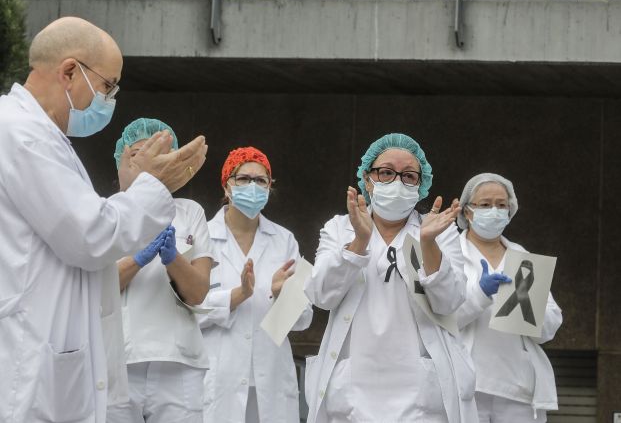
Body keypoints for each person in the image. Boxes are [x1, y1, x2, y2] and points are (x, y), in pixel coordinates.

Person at [0, 16, 207, 423]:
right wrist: (153, 186)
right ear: (70, 71)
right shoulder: (19, 132)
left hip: (51, 355)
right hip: (29, 360)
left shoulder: (44, 138)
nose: (109, 100)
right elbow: (90, 235)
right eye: (109, 86)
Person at [304, 133, 478, 423]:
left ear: (421, 185)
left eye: (409, 176)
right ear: (367, 179)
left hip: (419, 393)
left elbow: (449, 303)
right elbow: (322, 296)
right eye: (386, 172)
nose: (397, 182)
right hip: (353, 391)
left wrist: (429, 244)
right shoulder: (339, 228)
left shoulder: (440, 231)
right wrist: (359, 242)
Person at [107, 118, 214, 423]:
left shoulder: (189, 212)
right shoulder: (107, 210)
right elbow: (98, 286)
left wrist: (172, 258)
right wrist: (138, 259)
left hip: (178, 364)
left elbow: (198, 293)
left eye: (157, 154)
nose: (146, 164)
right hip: (120, 360)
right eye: (137, 154)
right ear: (121, 161)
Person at [200, 146, 313, 422]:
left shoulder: (284, 240)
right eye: (244, 179)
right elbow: (185, 308)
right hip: (218, 377)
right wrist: (237, 295)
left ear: (269, 188)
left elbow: (303, 319)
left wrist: (280, 295)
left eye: (261, 180)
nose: (253, 186)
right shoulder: (201, 235)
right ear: (227, 185)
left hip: (271, 377)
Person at [456, 173, 563, 422]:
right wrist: (480, 294)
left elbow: (550, 327)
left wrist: (529, 308)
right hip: (469, 385)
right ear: (468, 212)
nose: (494, 210)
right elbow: (440, 317)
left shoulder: (521, 256)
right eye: (485, 204)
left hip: (518, 387)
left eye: (501, 205)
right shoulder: (450, 253)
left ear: (510, 210)